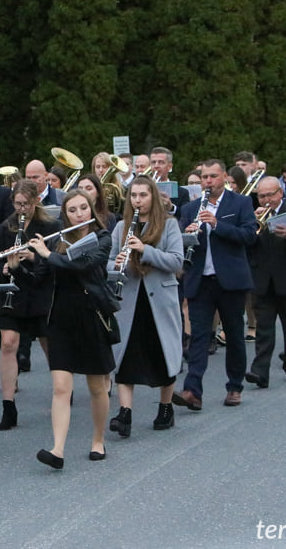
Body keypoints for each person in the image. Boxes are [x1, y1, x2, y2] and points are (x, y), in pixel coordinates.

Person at [27, 189, 115, 469]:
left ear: (91, 209)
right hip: (61, 320)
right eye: (73, 210)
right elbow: (40, 277)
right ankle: (58, 449)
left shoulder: (102, 238)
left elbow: (83, 265)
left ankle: (98, 440)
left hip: (91, 316)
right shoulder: (58, 241)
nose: (79, 214)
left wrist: (46, 255)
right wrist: (22, 264)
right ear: (65, 215)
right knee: (61, 388)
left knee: (97, 387)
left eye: (83, 208)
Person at [174, 159, 256, 411]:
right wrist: (188, 235)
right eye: (204, 177)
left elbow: (249, 235)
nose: (208, 181)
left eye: (213, 176)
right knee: (199, 336)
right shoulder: (190, 208)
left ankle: (234, 386)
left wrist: (218, 225)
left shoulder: (240, 203)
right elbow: (179, 242)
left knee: (233, 334)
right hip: (201, 280)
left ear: (223, 178)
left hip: (230, 280)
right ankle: (192, 390)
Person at [107, 177, 183, 436]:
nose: (138, 200)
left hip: (159, 301)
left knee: (163, 356)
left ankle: (165, 408)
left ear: (153, 197)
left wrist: (144, 249)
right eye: (134, 196)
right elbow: (108, 263)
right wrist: (116, 264)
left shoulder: (169, 225)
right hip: (130, 300)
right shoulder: (121, 228)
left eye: (143, 195)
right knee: (126, 357)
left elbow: (176, 262)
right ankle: (125, 412)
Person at [0, 180, 60, 430]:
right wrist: (4, 267)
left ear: (36, 201)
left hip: (39, 293)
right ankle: (9, 406)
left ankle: (62, 390)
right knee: (8, 344)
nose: (22, 209)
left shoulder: (50, 227)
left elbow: (54, 263)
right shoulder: (4, 228)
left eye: (26, 204)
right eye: (18, 204)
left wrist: (33, 256)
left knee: (49, 344)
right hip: (12, 294)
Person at [244, 177, 286, 388]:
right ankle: (260, 372)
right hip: (262, 279)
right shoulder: (252, 215)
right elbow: (246, 242)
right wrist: (252, 225)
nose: (266, 200)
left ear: (280, 193)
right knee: (264, 328)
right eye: (261, 196)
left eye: (270, 195)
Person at [149, 147, 190, 220]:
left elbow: (186, 217)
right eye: (153, 162)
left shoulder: (182, 193)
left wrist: (171, 208)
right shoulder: (144, 189)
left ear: (170, 167)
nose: (156, 166)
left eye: (161, 162)